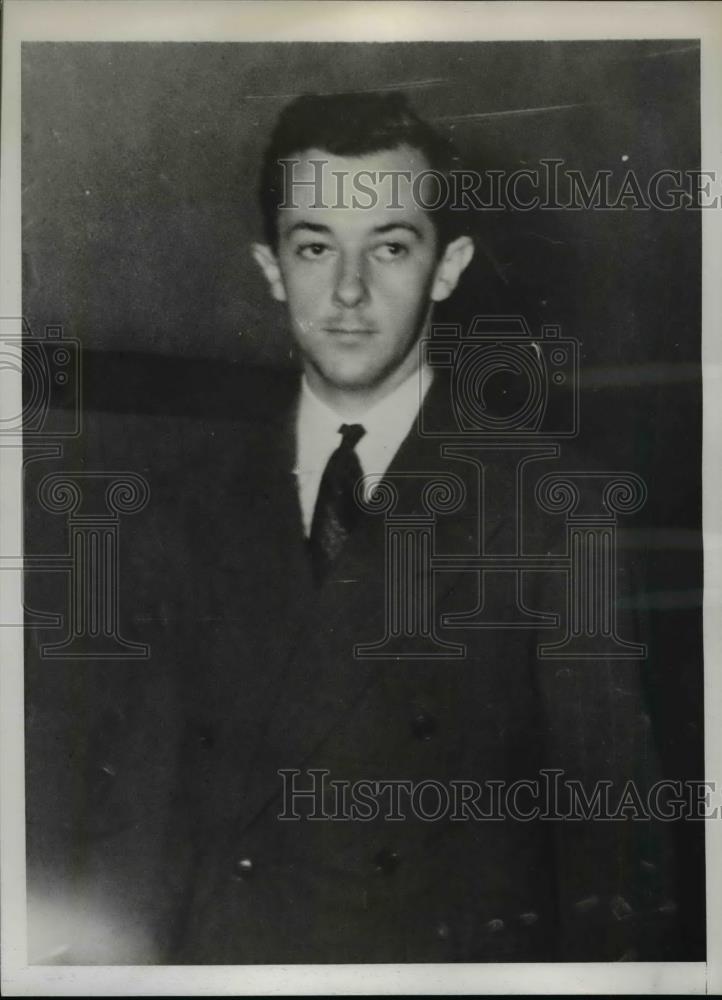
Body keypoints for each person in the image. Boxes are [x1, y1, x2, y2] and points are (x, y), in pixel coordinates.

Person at [25, 91, 675, 965]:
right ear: (270, 268)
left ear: (449, 267)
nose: (349, 292)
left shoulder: (557, 512)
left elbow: (615, 871)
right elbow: (130, 830)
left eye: (392, 247)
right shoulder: (170, 508)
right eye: (315, 247)